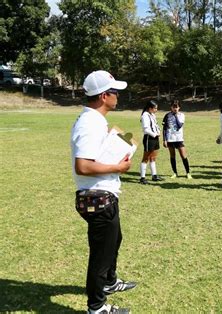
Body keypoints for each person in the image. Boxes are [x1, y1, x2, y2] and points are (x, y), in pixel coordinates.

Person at [71, 70, 136, 314]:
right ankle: (96, 308)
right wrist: (118, 166)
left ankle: (109, 281)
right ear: (103, 96)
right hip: (97, 197)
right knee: (100, 255)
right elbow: (84, 165)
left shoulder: (95, 120)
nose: (117, 96)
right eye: (114, 92)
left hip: (104, 193)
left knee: (114, 240)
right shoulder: (89, 123)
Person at [162, 100, 192, 179]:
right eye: (174, 107)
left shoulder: (181, 115)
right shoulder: (167, 116)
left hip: (179, 138)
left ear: (179, 107)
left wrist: (175, 116)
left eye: (177, 107)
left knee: (183, 156)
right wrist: (164, 139)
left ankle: (188, 173)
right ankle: (175, 173)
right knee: (172, 156)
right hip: (170, 139)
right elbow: (164, 128)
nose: (175, 109)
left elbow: (179, 126)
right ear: (171, 107)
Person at [139, 100, 163, 184]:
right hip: (149, 138)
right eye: (155, 108)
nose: (156, 110)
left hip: (155, 138)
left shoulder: (152, 115)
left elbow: (155, 125)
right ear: (150, 108)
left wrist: (159, 131)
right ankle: (142, 178)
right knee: (146, 158)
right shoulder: (145, 115)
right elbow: (146, 129)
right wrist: (154, 134)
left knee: (153, 157)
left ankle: (154, 175)